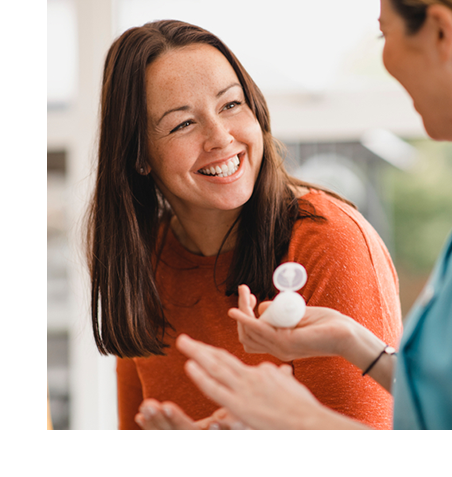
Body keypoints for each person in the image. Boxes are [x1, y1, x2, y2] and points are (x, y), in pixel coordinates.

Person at [158, 0, 452, 430]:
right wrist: (355, 342)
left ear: (441, 32)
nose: (384, 62)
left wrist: (301, 422)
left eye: (385, 34)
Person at [86, 20, 402, 430]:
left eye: (231, 105)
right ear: (139, 155)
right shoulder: (143, 259)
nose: (220, 137)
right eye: (183, 123)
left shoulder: (329, 239)